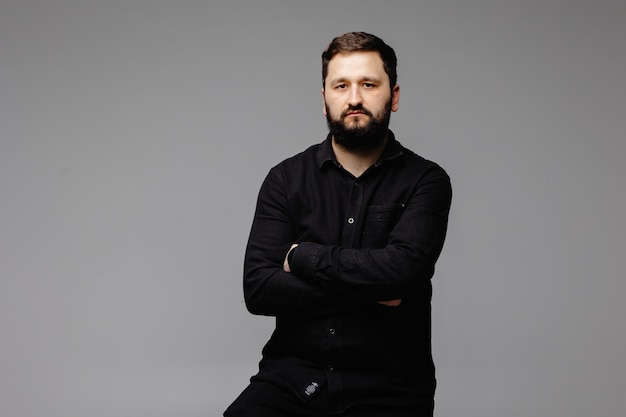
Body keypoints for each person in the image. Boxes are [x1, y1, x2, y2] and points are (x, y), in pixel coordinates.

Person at [224, 32, 452, 417]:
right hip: (292, 380)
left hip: (390, 388)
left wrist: (303, 257)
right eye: (341, 85)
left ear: (393, 96)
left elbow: (400, 274)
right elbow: (259, 288)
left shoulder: (426, 181)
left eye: (368, 84)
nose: (355, 98)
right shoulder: (285, 179)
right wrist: (371, 284)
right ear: (324, 98)